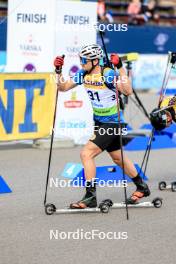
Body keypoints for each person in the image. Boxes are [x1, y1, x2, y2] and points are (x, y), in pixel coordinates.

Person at [54, 44, 150, 209]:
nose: (81, 62)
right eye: (80, 59)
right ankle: (142, 186)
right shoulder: (83, 74)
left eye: (84, 60)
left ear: (95, 60)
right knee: (118, 158)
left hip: (113, 123)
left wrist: (120, 67)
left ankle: (90, 197)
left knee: (86, 154)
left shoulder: (108, 74)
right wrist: (58, 71)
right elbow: (63, 88)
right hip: (100, 123)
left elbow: (128, 91)